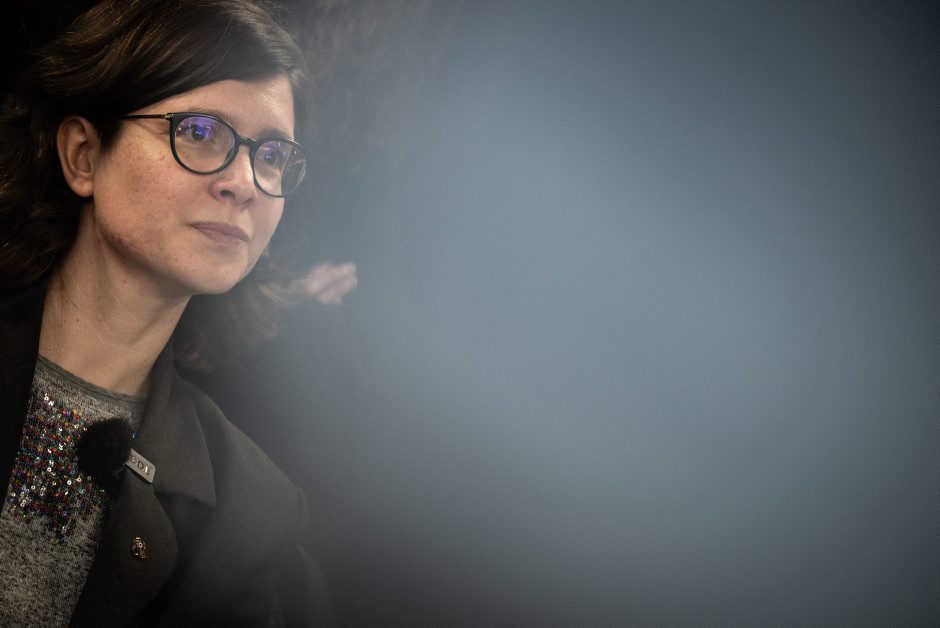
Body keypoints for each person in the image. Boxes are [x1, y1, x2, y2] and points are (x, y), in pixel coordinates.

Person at [0, 0, 331, 623]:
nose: (244, 183)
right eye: (200, 133)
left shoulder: (253, 517)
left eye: (271, 156)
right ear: (83, 155)